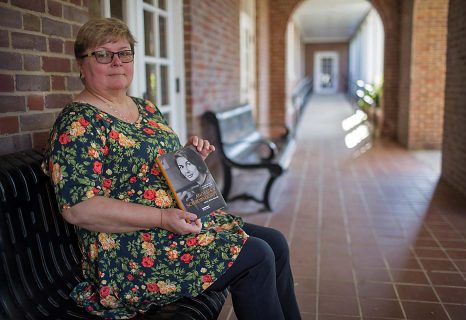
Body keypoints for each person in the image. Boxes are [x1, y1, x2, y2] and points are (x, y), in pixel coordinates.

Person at [42, 17, 301, 320]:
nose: (116, 62)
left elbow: (154, 167)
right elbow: (78, 208)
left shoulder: (146, 108)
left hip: (174, 226)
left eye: (124, 53)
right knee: (256, 256)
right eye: (102, 54)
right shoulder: (78, 123)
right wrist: (163, 218)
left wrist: (189, 160)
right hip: (131, 248)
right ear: (81, 64)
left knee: (275, 243)